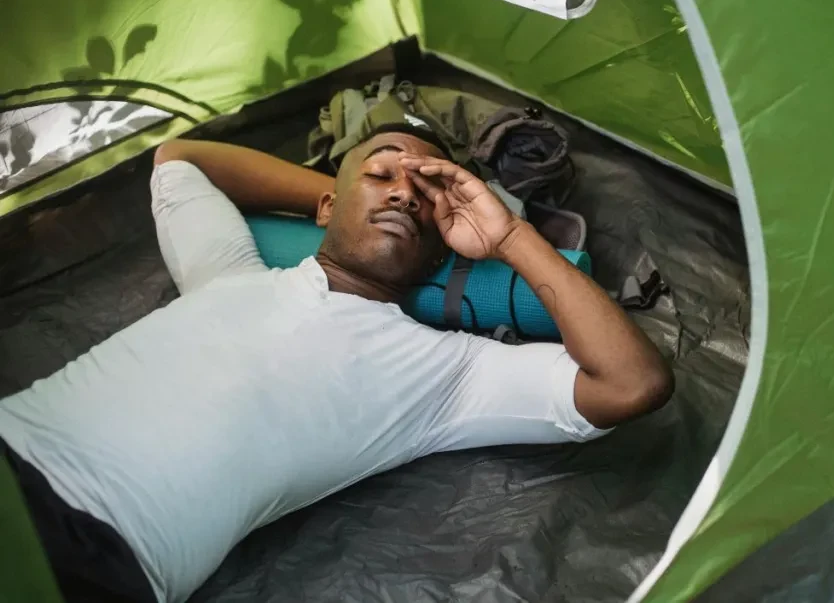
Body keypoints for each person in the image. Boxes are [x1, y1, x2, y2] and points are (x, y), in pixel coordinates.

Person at [0, 124, 673, 603]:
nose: (405, 193)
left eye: (428, 192)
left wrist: (508, 236)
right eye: (383, 175)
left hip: (92, 561)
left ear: (446, 245)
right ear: (326, 205)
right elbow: (180, 158)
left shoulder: (444, 373)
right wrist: (344, 183)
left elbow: (631, 381)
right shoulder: (229, 270)